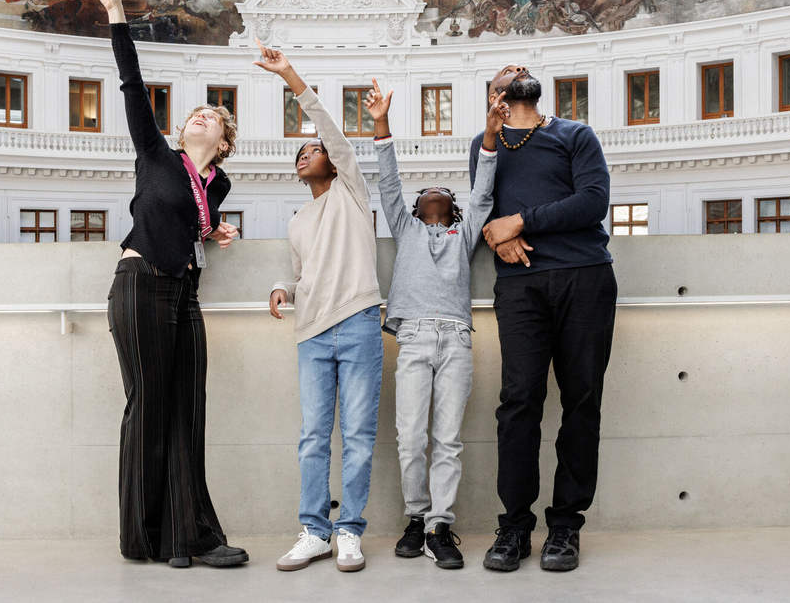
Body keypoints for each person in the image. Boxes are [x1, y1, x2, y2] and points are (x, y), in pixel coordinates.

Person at [89, 0, 249, 569]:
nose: (199, 116)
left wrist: (216, 230)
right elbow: (131, 83)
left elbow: (193, 221)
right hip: (138, 284)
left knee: (188, 410)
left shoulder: (220, 185)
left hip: (183, 292)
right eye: (194, 115)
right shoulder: (156, 153)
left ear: (224, 142)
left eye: (212, 117)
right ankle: (145, 538)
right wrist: (116, 13)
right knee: (147, 406)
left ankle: (191, 535)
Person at [471, 64, 617, 574]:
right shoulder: (485, 145)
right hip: (520, 287)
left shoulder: (574, 134)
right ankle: (513, 526)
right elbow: (479, 208)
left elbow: (593, 202)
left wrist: (523, 220)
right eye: (504, 73)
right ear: (494, 96)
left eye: (523, 69)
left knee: (581, 400)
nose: (516, 72)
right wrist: (498, 231)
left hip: (584, 276)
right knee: (518, 403)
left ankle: (565, 527)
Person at [365, 79, 505, 570]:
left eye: (443, 192)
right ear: (417, 205)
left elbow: (484, 191)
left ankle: (439, 527)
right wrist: (381, 121)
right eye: (426, 192)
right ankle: (414, 518)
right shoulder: (405, 229)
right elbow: (386, 181)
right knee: (409, 436)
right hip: (415, 338)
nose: (434, 194)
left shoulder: (465, 234)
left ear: (453, 206)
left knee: (448, 438)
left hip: (456, 340)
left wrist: (490, 135)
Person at [260, 39, 384, 574]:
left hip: (357, 323)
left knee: (357, 436)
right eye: (299, 153)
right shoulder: (297, 220)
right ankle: (314, 531)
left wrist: (290, 76)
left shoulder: (351, 190)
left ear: (333, 162)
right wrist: (285, 287)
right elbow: (305, 271)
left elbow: (328, 128)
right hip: (311, 333)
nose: (304, 154)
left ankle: (349, 532)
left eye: (312, 150)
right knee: (313, 438)